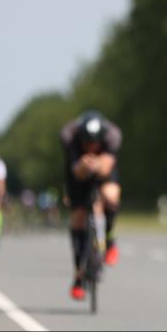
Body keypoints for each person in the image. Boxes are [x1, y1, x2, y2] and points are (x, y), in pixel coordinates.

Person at [60, 110, 122, 301]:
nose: (91, 146)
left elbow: (107, 166)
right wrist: (84, 165)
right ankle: (78, 277)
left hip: (103, 169)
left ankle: (110, 239)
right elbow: (76, 171)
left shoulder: (113, 136)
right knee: (78, 217)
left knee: (111, 196)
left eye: (95, 142)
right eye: (87, 142)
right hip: (78, 171)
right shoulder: (69, 136)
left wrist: (97, 164)